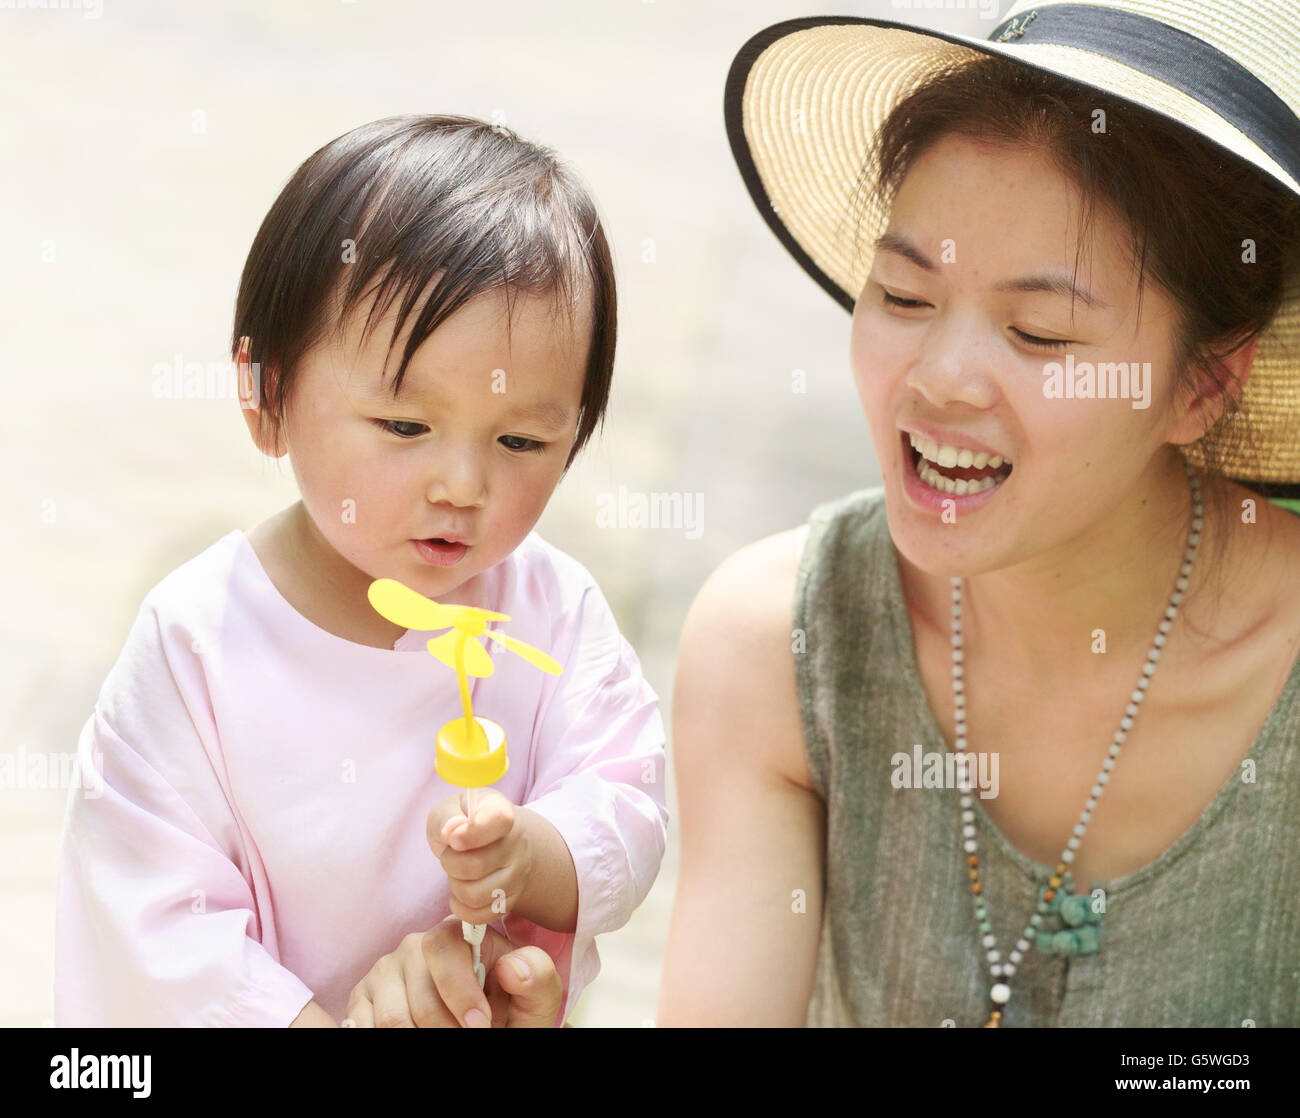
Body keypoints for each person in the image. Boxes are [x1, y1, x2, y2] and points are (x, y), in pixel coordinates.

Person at [659, 0, 1300, 1026]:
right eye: (904, 297)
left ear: (1202, 385)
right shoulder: (779, 643)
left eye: (1039, 332)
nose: (942, 378)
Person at [52, 114, 667, 1028]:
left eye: (523, 440)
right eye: (406, 427)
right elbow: (153, 919)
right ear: (266, 396)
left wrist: (529, 858)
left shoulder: (554, 611)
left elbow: (628, 794)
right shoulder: (195, 644)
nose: (464, 484)